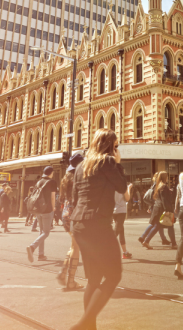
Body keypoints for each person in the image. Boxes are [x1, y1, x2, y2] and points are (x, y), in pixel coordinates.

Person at [69, 128, 127, 330]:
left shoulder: (80, 166)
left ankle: (89, 327)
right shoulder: (108, 162)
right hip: (98, 223)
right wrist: (118, 164)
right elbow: (121, 186)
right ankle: (83, 324)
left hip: (79, 224)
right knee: (113, 276)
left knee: (93, 279)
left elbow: (75, 197)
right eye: (116, 145)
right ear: (110, 145)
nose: (116, 149)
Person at [57, 153, 85, 291]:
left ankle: (63, 273)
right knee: (76, 247)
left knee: (73, 245)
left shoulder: (65, 179)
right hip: (76, 214)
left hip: (66, 214)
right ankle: (71, 281)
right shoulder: (80, 178)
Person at [27, 167, 57, 262]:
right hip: (47, 210)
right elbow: (52, 197)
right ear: (51, 173)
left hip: (38, 210)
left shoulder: (39, 181)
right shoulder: (52, 182)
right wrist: (53, 207)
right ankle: (32, 247)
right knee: (46, 233)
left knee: (41, 232)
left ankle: (41, 255)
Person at [141, 171, 175, 248]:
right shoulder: (163, 186)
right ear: (165, 177)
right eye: (167, 177)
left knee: (157, 226)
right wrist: (167, 210)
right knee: (168, 225)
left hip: (157, 207)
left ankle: (146, 241)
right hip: (162, 208)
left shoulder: (158, 186)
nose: (168, 178)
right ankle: (174, 244)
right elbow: (164, 199)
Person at [114, 180, 133, 259]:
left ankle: (125, 252)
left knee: (121, 230)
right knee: (117, 230)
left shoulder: (110, 184)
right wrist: (128, 188)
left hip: (113, 210)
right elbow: (127, 198)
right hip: (121, 210)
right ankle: (104, 248)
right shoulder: (123, 185)